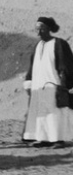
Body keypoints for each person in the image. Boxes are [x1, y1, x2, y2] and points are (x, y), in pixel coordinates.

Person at [22, 16, 73, 148]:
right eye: (37, 29)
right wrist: (29, 81)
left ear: (48, 29)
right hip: (39, 85)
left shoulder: (59, 43)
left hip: (53, 84)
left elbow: (65, 65)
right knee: (40, 111)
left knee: (54, 111)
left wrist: (64, 85)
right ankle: (43, 139)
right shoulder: (38, 45)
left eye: (41, 29)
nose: (38, 32)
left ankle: (58, 140)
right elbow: (32, 66)